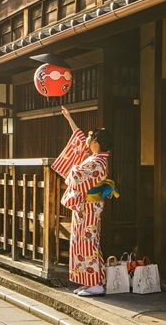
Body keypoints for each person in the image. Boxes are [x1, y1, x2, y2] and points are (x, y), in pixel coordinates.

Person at [52, 106, 112, 297]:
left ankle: (96, 284)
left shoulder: (98, 162)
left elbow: (76, 176)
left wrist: (73, 172)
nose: (86, 140)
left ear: (96, 143)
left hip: (89, 208)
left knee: (88, 244)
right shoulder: (95, 157)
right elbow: (79, 138)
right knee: (80, 243)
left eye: (90, 137)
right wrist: (69, 119)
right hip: (85, 208)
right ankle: (90, 281)